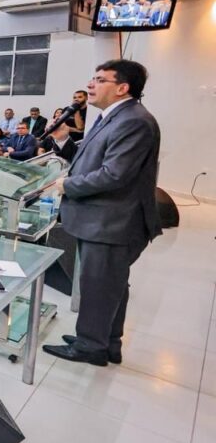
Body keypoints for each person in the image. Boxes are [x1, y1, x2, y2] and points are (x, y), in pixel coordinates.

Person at [44, 60, 161, 367]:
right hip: (105, 219)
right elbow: (89, 160)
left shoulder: (133, 121)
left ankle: (90, 347)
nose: (91, 85)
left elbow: (114, 175)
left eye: (99, 79)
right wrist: (61, 140)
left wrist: (67, 185)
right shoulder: (112, 118)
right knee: (111, 285)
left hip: (113, 221)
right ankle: (107, 341)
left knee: (98, 285)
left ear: (122, 88)